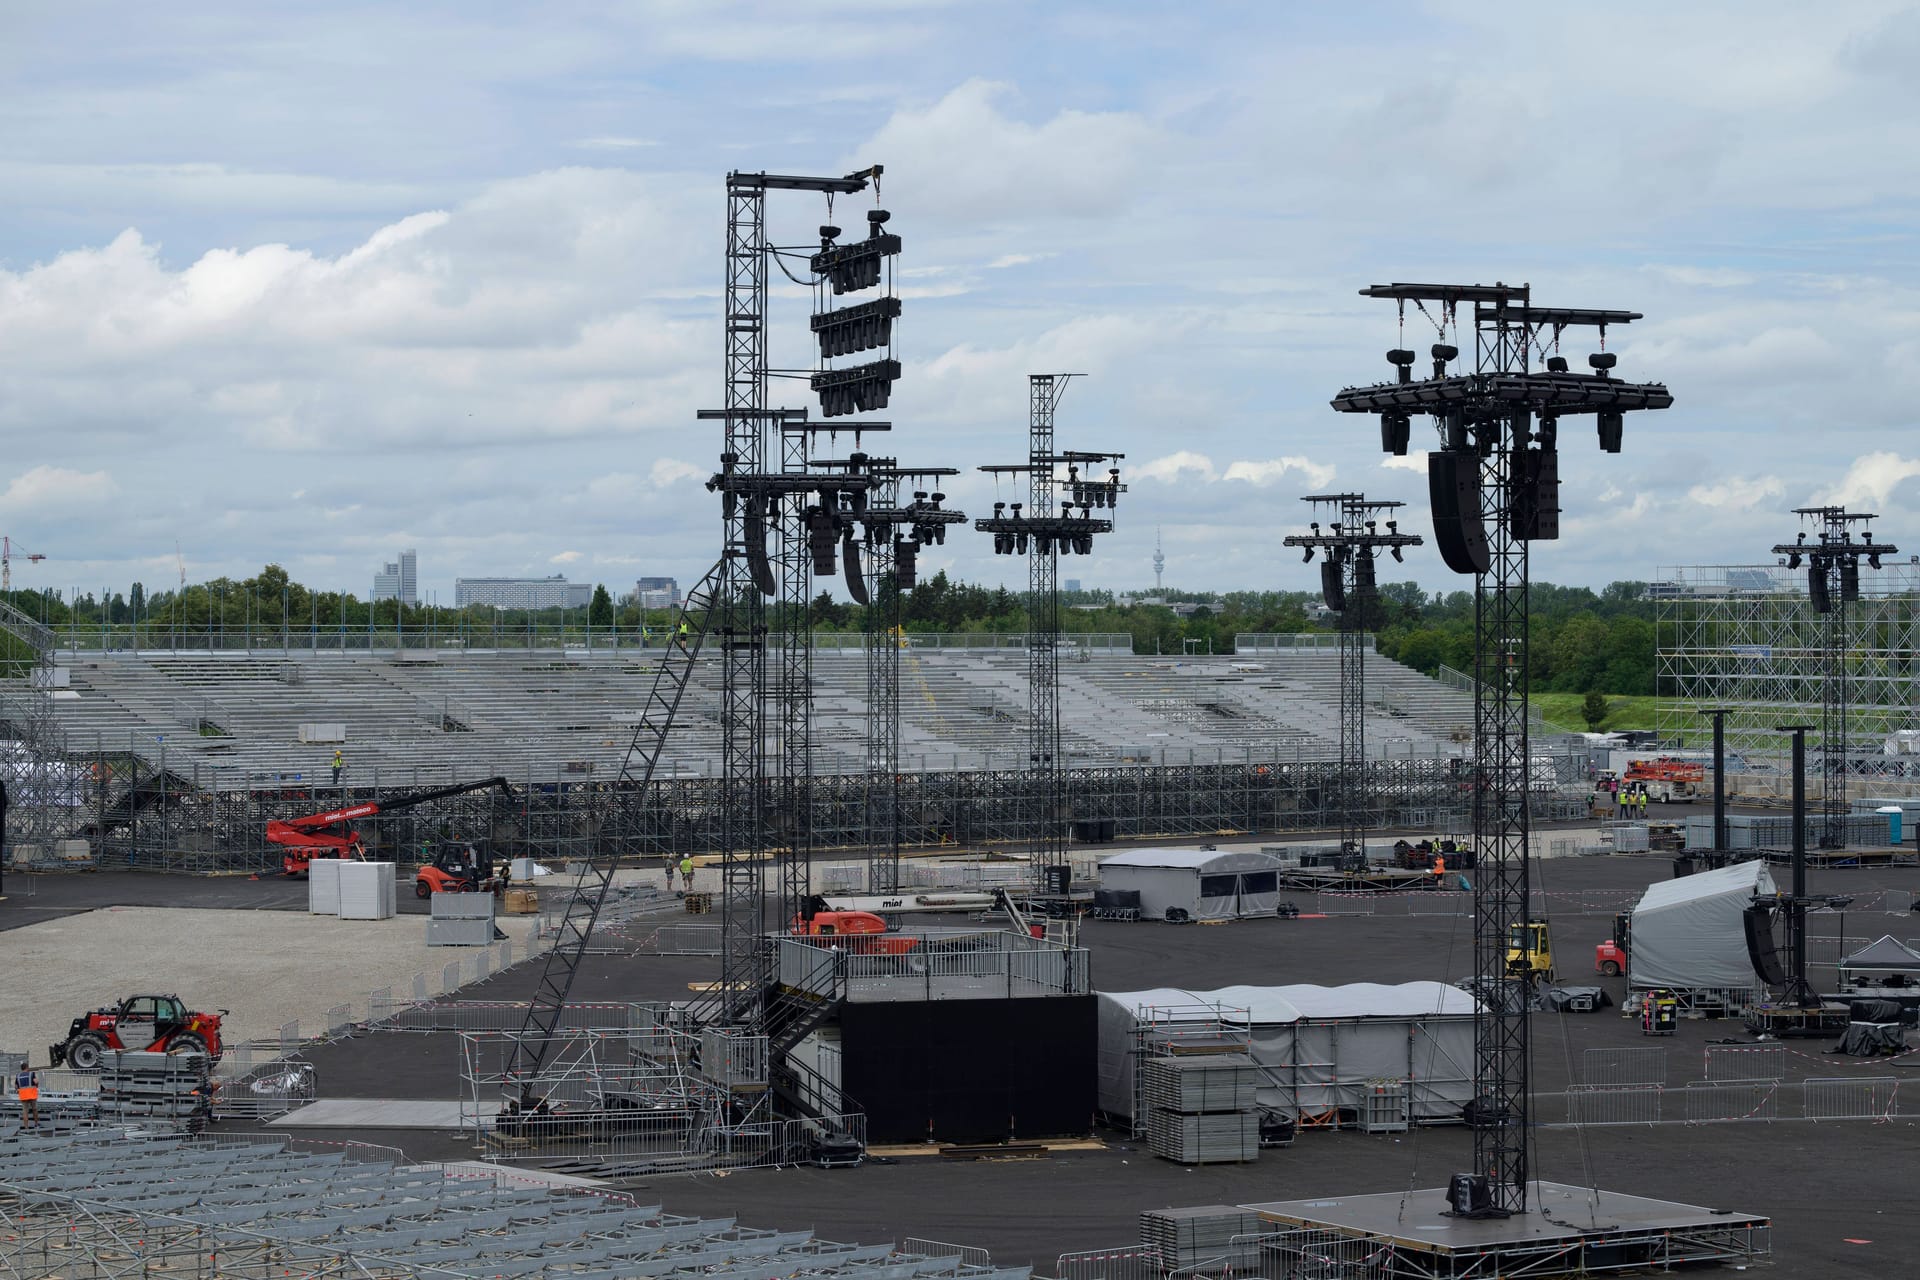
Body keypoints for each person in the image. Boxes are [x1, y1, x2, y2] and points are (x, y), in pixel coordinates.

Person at [14, 1061, 39, 1130]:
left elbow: (16, 1086)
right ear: (27, 1067)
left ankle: (26, 1127)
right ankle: (36, 1125)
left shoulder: (18, 1075)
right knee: (34, 1109)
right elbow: (36, 1082)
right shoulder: (32, 1074)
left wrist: (18, 1091)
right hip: (32, 1095)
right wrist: (36, 1086)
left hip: (23, 1096)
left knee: (25, 1111)